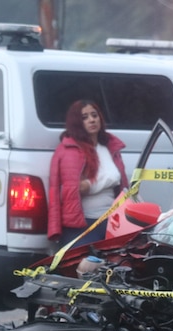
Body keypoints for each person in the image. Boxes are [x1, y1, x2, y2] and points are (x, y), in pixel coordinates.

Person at [48, 100, 127, 247]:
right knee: (85, 267)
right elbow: (78, 188)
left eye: (94, 115)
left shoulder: (110, 146)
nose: (92, 120)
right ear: (76, 122)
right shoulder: (68, 151)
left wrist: (93, 183)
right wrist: (110, 179)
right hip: (83, 225)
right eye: (84, 117)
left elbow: (120, 182)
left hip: (113, 221)